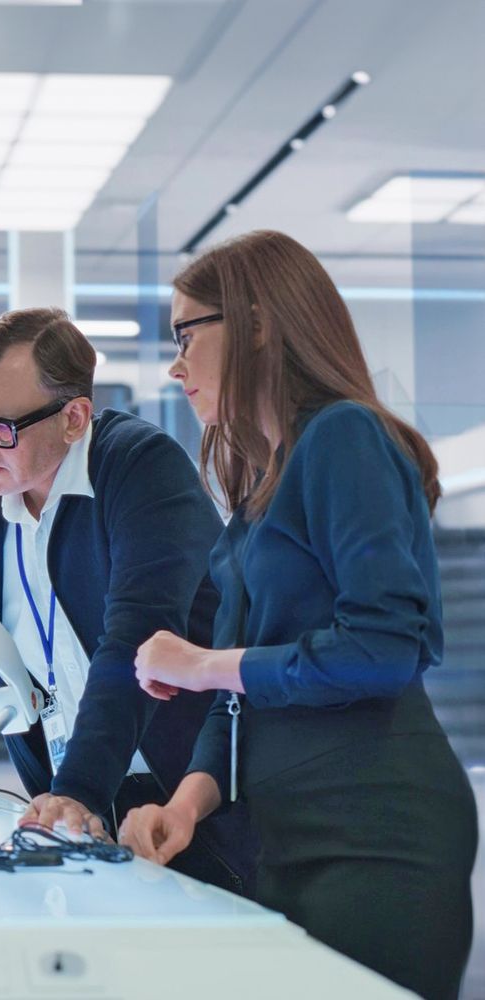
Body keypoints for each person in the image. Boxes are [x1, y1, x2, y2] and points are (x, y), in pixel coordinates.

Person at [121, 229, 477, 1000]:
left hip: (377, 833)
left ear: (255, 326)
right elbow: (237, 697)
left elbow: (387, 645)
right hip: (286, 831)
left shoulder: (343, 435)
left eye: (187, 335)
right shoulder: (262, 484)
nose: (175, 366)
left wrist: (198, 663)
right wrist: (186, 803)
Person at [0, 308, 253, 893]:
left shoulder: (139, 467)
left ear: (74, 418)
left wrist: (78, 789)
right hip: (72, 812)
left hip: (194, 799)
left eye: (0, 428)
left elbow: (134, 644)